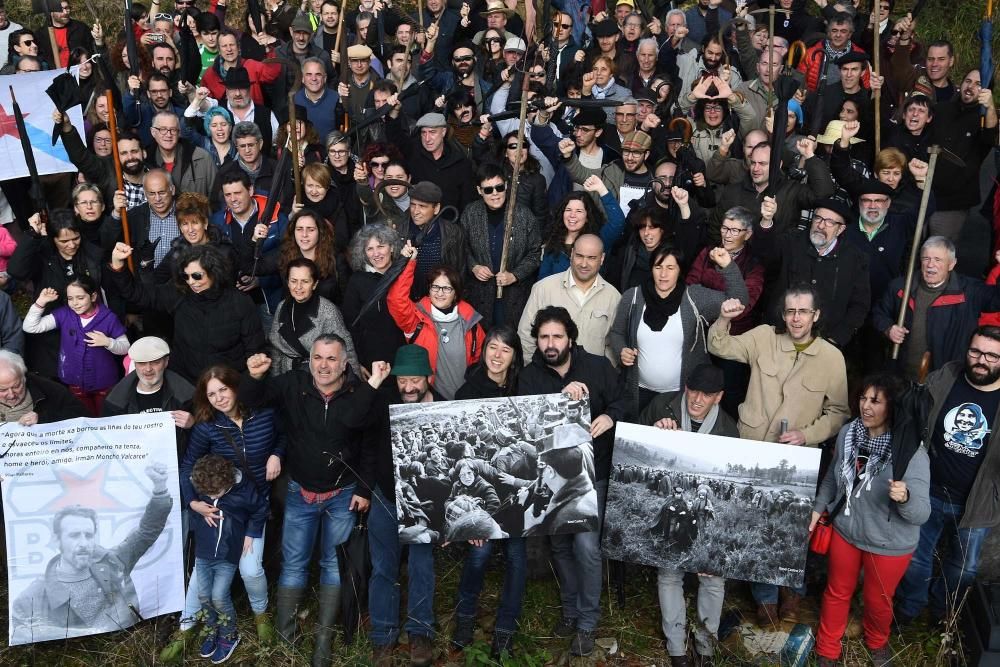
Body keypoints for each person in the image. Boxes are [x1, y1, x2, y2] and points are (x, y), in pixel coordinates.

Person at [239, 341, 389, 666]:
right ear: (309, 361)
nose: (323, 365)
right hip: (300, 492)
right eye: (317, 358)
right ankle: (284, 638)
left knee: (333, 565)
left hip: (341, 494)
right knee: (293, 564)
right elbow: (253, 400)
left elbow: (367, 444)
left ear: (344, 363)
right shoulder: (293, 384)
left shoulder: (359, 394)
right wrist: (253, 377)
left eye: (331, 359)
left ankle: (324, 640)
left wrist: (363, 489)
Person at [708, 287, 850, 625]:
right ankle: (765, 599)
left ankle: (791, 592)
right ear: (783, 315)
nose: (796, 318)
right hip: (754, 447)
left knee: (793, 528)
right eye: (790, 311)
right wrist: (724, 319)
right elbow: (719, 345)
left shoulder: (832, 358)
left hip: (797, 459)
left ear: (816, 316)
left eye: (803, 311)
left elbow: (839, 411)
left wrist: (808, 435)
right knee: (757, 526)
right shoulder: (761, 337)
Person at [517, 306, 627, 657]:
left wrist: (609, 415)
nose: (550, 344)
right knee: (561, 546)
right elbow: (526, 425)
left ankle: (587, 622)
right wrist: (559, 397)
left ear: (571, 338)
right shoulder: (530, 376)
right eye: (544, 337)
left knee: (585, 547)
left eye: (557, 336)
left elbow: (626, 402)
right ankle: (570, 610)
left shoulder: (597, 367)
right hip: (552, 475)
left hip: (594, 472)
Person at [811, 373, 931, 667]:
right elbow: (833, 478)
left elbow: (921, 514)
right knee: (837, 591)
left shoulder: (910, 452)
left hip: (888, 543)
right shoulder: (849, 434)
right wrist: (818, 508)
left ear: (892, 407)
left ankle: (877, 642)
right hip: (847, 531)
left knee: (879, 601)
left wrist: (906, 497)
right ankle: (828, 650)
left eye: (875, 401)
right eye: (863, 398)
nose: (865, 406)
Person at [167, 365, 281, 661]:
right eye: (211, 394)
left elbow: (284, 436)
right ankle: (188, 625)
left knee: (250, 569)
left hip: (255, 506)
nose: (219, 398)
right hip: (220, 509)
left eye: (223, 390)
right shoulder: (207, 426)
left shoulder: (263, 413)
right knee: (201, 572)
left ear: (235, 387)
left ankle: (260, 615)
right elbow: (186, 467)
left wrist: (277, 454)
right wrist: (192, 501)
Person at [894, 327, 1000, 626]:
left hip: (976, 501)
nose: (982, 360)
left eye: (992, 355)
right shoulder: (945, 378)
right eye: (976, 351)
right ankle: (909, 607)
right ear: (967, 350)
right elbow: (914, 421)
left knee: (964, 568)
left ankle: (941, 612)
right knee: (916, 558)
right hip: (928, 491)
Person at [638, 363, 737, 667]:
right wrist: (654, 432)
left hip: (703, 512)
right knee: (669, 572)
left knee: (713, 578)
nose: (696, 400)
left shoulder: (728, 428)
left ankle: (706, 648)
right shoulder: (660, 405)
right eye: (693, 391)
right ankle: (677, 647)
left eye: (706, 395)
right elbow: (633, 443)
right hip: (672, 506)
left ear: (718, 397)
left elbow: (727, 486)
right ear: (685, 388)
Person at [10, 464, 171, 643]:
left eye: (88, 535)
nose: (83, 543)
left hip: (126, 646)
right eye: (74, 535)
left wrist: (160, 488)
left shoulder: (112, 561)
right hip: (79, 655)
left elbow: (146, 532)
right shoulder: (36, 594)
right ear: (56, 540)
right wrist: (87, 632)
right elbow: (21, 631)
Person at [451, 326, 527, 658]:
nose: (497, 355)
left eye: (505, 350)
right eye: (491, 348)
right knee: (480, 553)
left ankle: (506, 630)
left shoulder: (526, 390)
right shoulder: (467, 392)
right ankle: (465, 619)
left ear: (515, 356)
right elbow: (463, 462)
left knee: (515, 556)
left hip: (515, 496)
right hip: (481, 496)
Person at [610, 244, 748, 416]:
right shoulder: (633, 297)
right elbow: (616, 333)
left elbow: (739, 299)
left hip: (682, 395)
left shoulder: (694, 297)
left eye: (670, 267)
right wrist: (621, 350)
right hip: (638, 391)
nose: (663, 274)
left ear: (680, 270)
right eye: (658, 267)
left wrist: (728, 266)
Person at [368, 345, 440, 667]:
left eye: (414, 380)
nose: (408, 388)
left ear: (428, 378)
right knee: (383, 567)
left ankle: (420, 632)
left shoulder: (444, 409)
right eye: (402, 381)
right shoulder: (383, 402)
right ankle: (383, 637)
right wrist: (375, 381)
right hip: (385, 494)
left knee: (421, 566)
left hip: (422, 502)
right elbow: (357, 430)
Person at [105, 242, 266, 382]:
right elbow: (139, 295)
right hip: (187, 383)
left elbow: (254, 350)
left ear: (214, 272)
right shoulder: (180, 292)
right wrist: (118, 265)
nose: (191, 282)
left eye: (197, 276)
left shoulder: (240, 302)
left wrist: (248, 385)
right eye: (186, 276)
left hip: (228, 384)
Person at [872, 236, 1000, 382]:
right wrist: (888, 328)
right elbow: (879, 313)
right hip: (903, 377)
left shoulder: (970, 291)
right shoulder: (901, 287)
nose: (930, 265)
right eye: (926, 258)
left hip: (947, 381)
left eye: (938, 260)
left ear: (951, 264)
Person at [186, 454, 269, 664]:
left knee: (219, 596)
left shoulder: (243, 490)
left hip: (227, 554)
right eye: (207, 493)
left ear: (228, 482)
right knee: (204, 595)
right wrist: (197, 509)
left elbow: (260, 509)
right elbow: (192, 500)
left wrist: (251, 533)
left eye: (215, 493)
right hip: (204, 552)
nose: (211, 496)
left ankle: (229, 635)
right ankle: (213, 629)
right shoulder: (202, 484)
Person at [8, 210, 104, 379]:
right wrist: (32, 235)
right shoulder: (43, 254)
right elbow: (16, 270)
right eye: (64, 241)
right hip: (53, 333)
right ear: (53, 239)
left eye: (76, 238)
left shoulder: (92, 254)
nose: (72, 245)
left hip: (90, 329)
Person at [387, 241, 485, 400]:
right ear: (429, 289)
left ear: (456, 293)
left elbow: (479, 364)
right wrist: (409, 262)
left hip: (464, 402)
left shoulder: (471, 322)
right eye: (435, 287)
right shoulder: (416, 319)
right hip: (429, 402)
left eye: (447, 288)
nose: (440, 293)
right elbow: (396, 300)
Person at [22, 280, 128, 416]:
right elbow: (30, 327)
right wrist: (40, 302)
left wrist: (108, 342)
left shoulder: (108, 318)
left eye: (80, 298)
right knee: (83, 418)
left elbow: (125, 347)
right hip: (75, 382)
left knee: (106, 418)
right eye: (70, 299)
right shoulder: (64, 314)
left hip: (104, 383)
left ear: (93, 296)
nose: (75, 303)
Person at [460, 163, 541, 329]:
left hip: (515, 296)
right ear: (479, 191)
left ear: (506, 186)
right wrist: (474, 266)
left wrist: (515, 275)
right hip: (479, 295)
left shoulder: (524, 215)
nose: (495, 194)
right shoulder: (470, 213)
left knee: (510, 343)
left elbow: (534, 254)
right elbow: (462, 248)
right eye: (488, 190)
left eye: (499, 187)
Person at [519, 234, 621, 362]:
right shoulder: (544, 288)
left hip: (592, 379)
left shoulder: (613, 297)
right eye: (579, 256)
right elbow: (526, 335)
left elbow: (614, 344)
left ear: (602, 259)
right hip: (547, 377)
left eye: (591, 258)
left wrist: (602, 375)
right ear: (572, 254)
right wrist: (535, 374)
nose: (584, 264)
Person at [268, 257, 358, 374]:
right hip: (287, 377)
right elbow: (276, 349)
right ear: (288, 283)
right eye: (294, 281)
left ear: (314, 284)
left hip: (319, 376)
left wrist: (354, 384)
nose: (298, 287)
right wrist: (276, 381)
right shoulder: (282, 306)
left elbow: (346, 349)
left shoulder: (328, 311)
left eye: (305, 281)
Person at [341, 224, 406, 375]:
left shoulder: (405, 273)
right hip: (372, 361)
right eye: (369, 249)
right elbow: (351, 326)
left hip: (405, 357)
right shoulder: (357, 281)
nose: (376, 253)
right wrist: (358, 362)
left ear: (391, 247)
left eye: (381, 246)